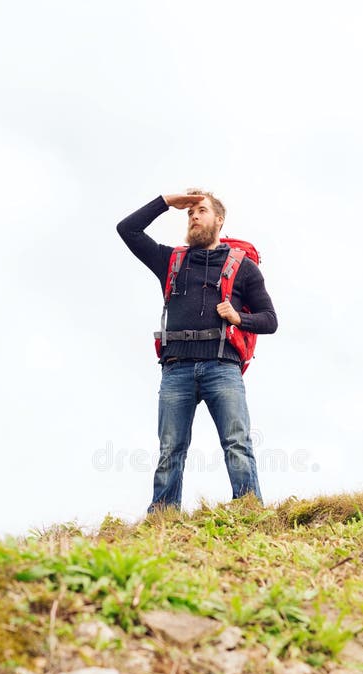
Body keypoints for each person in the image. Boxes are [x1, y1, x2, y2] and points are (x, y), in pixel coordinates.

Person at [116, 190, 277, 512]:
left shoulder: (244, 268)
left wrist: (238, 317)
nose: (193, 216)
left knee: (237, 443)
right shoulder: (170, 261)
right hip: (176, 368)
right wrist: (165, 201)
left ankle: (249, 511)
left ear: (219, 219)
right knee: (170, 449)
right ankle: (162, 517)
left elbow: (270, 320)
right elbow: (127, 229)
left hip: (222, 367)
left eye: (201, 211)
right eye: (190, 213)